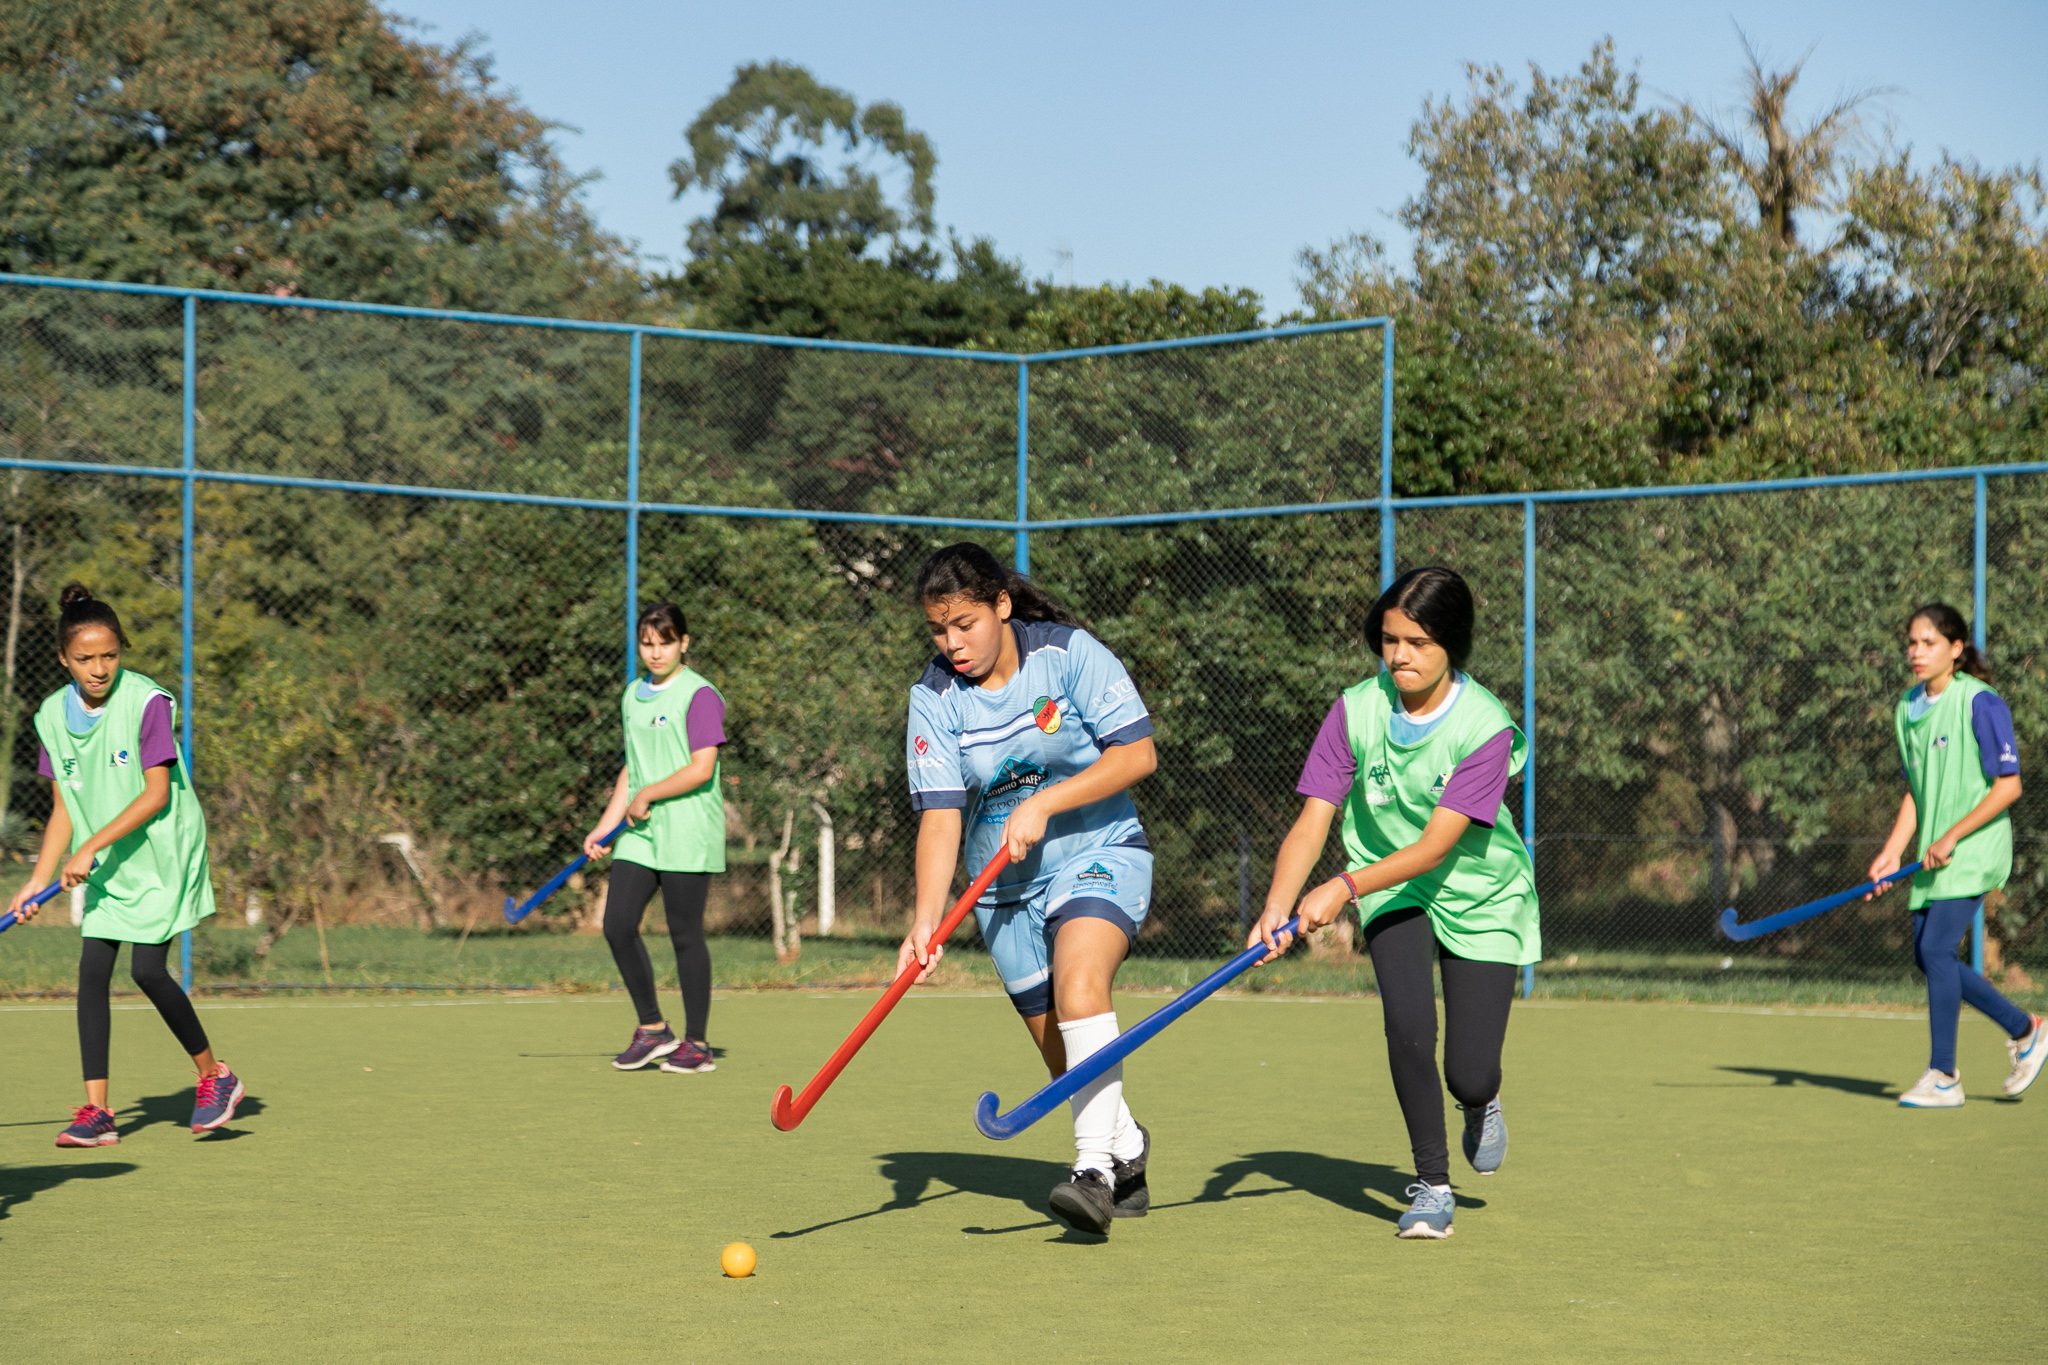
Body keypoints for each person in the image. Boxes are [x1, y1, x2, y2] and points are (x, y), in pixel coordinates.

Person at [1251, 566, 1538, 1240]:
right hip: (1394, 891)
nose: (1400, 655)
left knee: (1468, 1069)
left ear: (1453, 645)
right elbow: (1312, 820)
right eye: (1389, 639)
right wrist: (1277, 905)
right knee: (1408, 1026)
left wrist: (1344, 885)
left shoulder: (1484, 725)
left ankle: (1481, 1098)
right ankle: (1433, 1185)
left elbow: (1438, 846)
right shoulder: (1355, 709)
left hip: (1480, 893)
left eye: (1417, 641)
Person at [898, 544, 1156, 1235]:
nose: (952, 643)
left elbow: (1137, 754)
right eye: (938, 629)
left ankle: (1093, 1172)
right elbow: (941, 816)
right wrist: (927, 920)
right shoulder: (934, 699)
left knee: (1081, 990)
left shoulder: (1068, 655)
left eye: (965, 624)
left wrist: (1046, 803)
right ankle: (1125, 1146)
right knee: (1063, 1053)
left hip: (1097, 855)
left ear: (1001, 606)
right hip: (1003, 894)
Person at [7, 584, 242, 1146]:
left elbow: (155, 794)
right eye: (84, 659)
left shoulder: (146, 703)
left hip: (163, 848)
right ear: (63, 658)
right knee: (92, 972)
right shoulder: (49, 717)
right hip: (111, 856)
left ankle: (216, 1077)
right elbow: (65, 803)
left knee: (146, 970)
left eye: (109, 655)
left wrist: (88, 850)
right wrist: (37, 879)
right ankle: (97, 1113)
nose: (98, 669)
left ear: (121, 651)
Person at [1866, 602, 2045, 1106]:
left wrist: (1952, 836)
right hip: (1933, 854)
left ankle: (1943, 1075)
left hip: (1974, 847)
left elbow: (2008, 787)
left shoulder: (1980, 702)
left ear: (1956, 649)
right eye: (1912, 643)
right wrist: (1891, 852)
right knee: (1927, 958)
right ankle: (2025, 1028)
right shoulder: (1906, 708)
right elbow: (1916, 792)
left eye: (1929, 643)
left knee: (1937, 951)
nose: (1916, 653)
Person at [582, 602, 727, 1075]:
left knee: (685, 935)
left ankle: (698, 1044)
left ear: (683, 643)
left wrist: (649, 794)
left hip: (687, 828)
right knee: (617, 925)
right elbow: (634, 766)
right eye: (648, 643)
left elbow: (701, 768)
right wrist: (606, 825)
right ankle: (653, 1030)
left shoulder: (700, 695)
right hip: (640, 834)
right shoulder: (632, 696)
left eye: (666, 642)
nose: (656, 652)